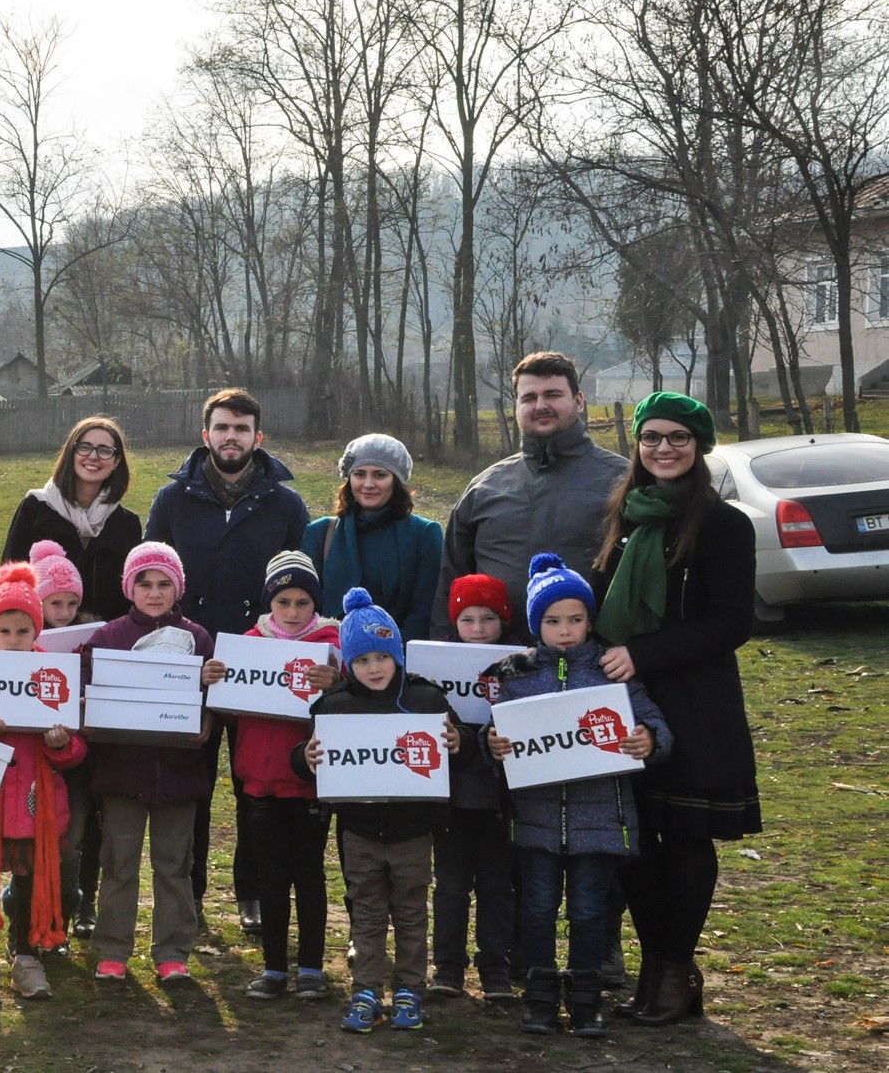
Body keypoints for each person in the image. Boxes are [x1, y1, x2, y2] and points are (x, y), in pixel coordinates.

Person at [591, 391, 759, 1027]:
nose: (664, 448)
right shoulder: (623, 517)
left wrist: (644, 653)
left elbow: (731, 622)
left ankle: (671, 968)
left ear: (700, 445)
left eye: (678, 437)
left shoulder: (724, 524)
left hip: (695, 706)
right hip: (624, 703)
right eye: (652, 437)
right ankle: (661, 967)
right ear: (636, 445)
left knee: (686, 838)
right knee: (635, 839)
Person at [144, 388, 308, 937]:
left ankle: (253, 894)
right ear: (205, 434)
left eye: (241, 428)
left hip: (259, 665)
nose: (231, 437)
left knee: (254, 787)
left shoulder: (285, 505)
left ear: (257, 438)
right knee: (191, 781)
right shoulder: (172, 500)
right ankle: (186, 893)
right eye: (222, 427)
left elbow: (299, 588)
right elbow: (151, 579)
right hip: (187, 658)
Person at [485, 555, 670, 1039]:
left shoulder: (614, 672)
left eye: (575, 619)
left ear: (590, 620)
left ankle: (587, 1000)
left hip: (601, 820)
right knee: (539, 909)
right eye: (552, 621)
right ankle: (541, 997)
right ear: (536, 624)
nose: (565, 630)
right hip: (536, 821)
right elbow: (499, 732)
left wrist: (648, 738)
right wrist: (494, 744)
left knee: (590, 910)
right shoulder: (514, 674)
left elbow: (652, 719)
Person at [293, 588, 467, 1036]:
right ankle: (365, 989)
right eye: (363, 659)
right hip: (361, 833)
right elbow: (309, 754)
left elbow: (457, 744)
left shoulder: (426, 700)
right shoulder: (334, 706)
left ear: (398, 657)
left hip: (413, 833)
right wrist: (305, 758)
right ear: (348, 664)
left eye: (383, 657)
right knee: (367, 913)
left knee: (411, 912)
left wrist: (457, 742)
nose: (374, 668)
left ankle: (410, 989)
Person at [83, 543, 226, 988]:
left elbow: (213, 705)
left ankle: (172, 952)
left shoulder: (199, 639)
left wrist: (207, 708)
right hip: (122, 775)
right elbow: (84, 694)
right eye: (144, 583)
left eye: (164, 583)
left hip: (179, 776)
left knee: (174, 864)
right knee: (119, 863)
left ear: (178, 587)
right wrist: (91, 709)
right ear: (129, 588)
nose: (154, 592)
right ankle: (111, 950)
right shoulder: (106, 638)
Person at [432, 352, 629, 637]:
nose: (541, 406)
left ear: (579, 400)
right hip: (496, 668)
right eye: (528, 398)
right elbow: (450, 586)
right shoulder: (484, 488)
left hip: (595, 668)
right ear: (516, 407)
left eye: (552, 394)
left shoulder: (623, 482)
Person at [0, 563, 86, 1004]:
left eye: (23, 630)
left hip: (38, 802)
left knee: (31, 880)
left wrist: (58, 743)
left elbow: (76, 750)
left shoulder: (54, 674)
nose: (14, 639)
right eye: (5, 629)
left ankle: (26, 954)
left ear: (37, 630)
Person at [235, 551, 340, 1003]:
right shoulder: (246, 642)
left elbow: (360, 694)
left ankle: (312, 967)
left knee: (310, 875)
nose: (294, 612)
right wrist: (213, 676)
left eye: (302, 602)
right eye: (283, 602)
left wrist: (336, 682)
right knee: (271, 877)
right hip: (260, 781)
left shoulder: (332, 646)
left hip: (311, 782)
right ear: (269, 603)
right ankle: (274, 967)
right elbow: (227, 698)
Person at [429, 573, 520, 1002]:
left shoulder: (523, 663)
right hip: (452, 801)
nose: (479, 628)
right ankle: (448, 966)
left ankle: (495, 967)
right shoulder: (433, 669)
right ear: (455, 622)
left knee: (497, 886)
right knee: (449, 885)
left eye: (488, 618)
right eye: (468, 619)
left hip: (504, 800)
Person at [0, 416, 144, 622]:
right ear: (71, 452)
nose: (93, 457)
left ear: (116, 461)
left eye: (104, 451)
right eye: (85, 447)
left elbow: (129, 594)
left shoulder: (127, 524)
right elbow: (10, 580)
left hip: (105, 643)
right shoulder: (35, 508)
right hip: (42, 641)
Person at [301, 434, 443, 636]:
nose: (368, 484)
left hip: (396, 658)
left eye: (379, 475)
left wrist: (390, 658)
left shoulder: (424, 534)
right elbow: (306, 607)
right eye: (359, 474)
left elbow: (423, 612)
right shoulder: (320, 533)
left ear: (396, 480)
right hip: (330, 656)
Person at [30, 542, 101, 940]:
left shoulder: (90, 638)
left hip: (79, 755)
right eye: (54, 603)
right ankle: (34, 912)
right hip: (34, 758)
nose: (64, 612)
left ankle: (75, 904)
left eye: (71, 603)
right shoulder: (19, 637)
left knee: (76, 832)